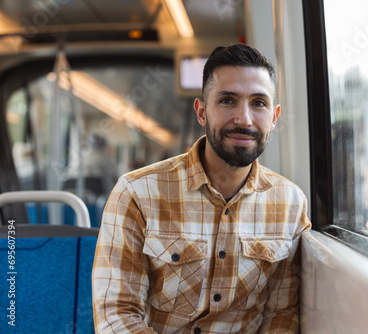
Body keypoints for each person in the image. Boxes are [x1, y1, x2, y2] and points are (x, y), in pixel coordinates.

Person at [92, 44, 311, 334]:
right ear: (202, 112)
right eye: (227, 101)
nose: (244, 119)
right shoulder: (136, 193)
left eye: (258, 103)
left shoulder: (290, 204)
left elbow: (282, 313)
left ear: (273, 117)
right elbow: (116, 313)